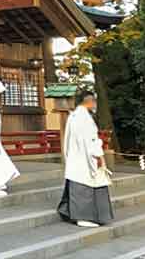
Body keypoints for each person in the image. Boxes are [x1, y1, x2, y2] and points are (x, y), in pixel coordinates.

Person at [57, 90, 113, 228]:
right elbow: (91, 141)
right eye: (93, 101)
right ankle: (83, 217)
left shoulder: (73, 116)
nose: (94, 104)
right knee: (85, 187)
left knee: (77, 185)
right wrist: (98, 156)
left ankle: (71, 213)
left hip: (75, 157)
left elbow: (68, 139)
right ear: (88, 101)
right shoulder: (85, 119)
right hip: (85, 157)